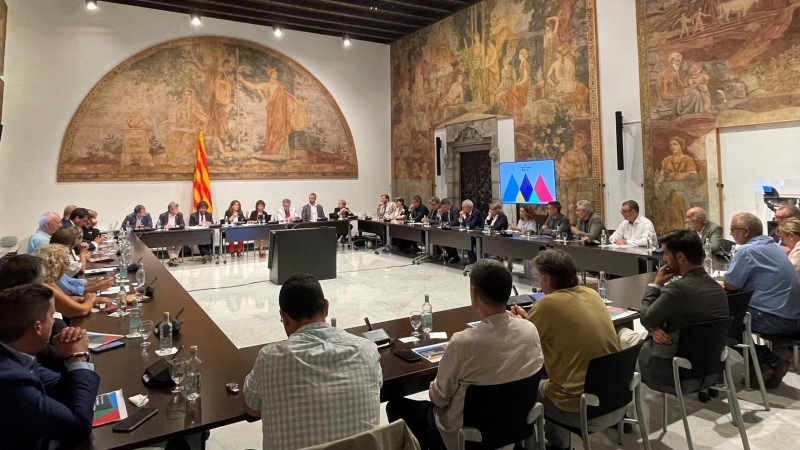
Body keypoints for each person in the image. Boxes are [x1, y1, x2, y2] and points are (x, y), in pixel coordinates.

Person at [387, 260, 544, 450]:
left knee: (396, 406)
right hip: (513, 426)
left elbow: (439, 398)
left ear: (474, 294)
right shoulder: (529, 330)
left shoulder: (463, 342)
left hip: (466, 436)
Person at [244, 274, 382, 450]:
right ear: (326, 307)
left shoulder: (269, 359)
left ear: (284, 318)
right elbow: (376, 387)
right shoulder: (367, 350)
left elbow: (252, 408)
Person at [509, 250, 620, 450]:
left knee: (523, 389)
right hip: (616, 398)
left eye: (539, 280)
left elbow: (522, 343)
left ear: (548, 281)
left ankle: (542, 446)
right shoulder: (591, 293)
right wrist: (528, 321)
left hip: (580, 408)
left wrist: (519, 324)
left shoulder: (548, 304)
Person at [618, 230, 729, 392]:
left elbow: (646, 318)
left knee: (618, 331)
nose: (663, 259)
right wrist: (655, 328)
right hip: (709, 371)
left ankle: (618, 409)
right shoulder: (718, 289)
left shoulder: (677, 290)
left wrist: (656, 285)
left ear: (680, 257)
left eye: (665, 254)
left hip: (670, 372)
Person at [0, 284, 100, 450]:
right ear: (38, 327)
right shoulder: (9, 381)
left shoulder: (18, 350)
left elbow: (57, 387)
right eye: (52, 316)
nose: (54, 322)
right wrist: (77, 357)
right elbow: (78, 427)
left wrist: (69, 356)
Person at [725, 212, 800, 388]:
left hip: (775, 319)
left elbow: (730, 284)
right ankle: (769, 361)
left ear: (745, 231)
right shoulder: (773, 245)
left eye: (732, 230)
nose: (731, 234)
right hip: (794, 317)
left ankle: (766, 359)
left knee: (722, 321)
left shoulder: (747, 250)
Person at [33, 245, 111, 319]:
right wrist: (91, 299)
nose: (66, 269)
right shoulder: (43, 285)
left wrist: (85, 299)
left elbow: (67, 298)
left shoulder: (48, 280)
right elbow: (81, 311)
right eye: (65, 264)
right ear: (55, 265)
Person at [158, 202, 186, 266]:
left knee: (181, 242)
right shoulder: (163, 215)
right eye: (176, 209)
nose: (177, 210)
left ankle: (173, 259)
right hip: (167, 234)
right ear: (171, 210)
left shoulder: (180, 215)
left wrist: (176, 226)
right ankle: (175, 259)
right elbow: (158, 225)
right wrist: (164, 226)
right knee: (168, 242)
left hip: (177, 233)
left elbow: (183, 224)